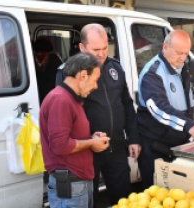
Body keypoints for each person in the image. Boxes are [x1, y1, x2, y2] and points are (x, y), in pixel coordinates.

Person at [57, 24, 141, 206]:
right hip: (87, 150)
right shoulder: (68, 72)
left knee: (123, 199)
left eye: (105, 48)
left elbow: (126, 104)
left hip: (116, 146)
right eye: (96, 50)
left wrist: (133, 138)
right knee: (89, 199)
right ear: (82, 48)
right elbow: (65, 115)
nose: (102, 54)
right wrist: (88, 141)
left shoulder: (115, 68)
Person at [137, 30, 194, 189]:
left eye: (185, 53)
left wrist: (191, 132)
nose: (182, 58)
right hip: (156, 149)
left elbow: (187, 105)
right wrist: (189, 126)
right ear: (165, 47)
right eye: (178, 52)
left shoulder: (183, 68)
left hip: (178, 148)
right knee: (156, 198)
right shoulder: (153, 73)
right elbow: (159, 109)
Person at [40, 53, 110, 208]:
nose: (96, 86)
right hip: (70, 186)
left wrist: (91, 137)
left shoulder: (71, 98)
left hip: (78, 183)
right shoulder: (60, 99)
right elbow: (59, 145)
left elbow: (70, 136)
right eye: (95, 80)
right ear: (83, 75)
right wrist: (91, 143)